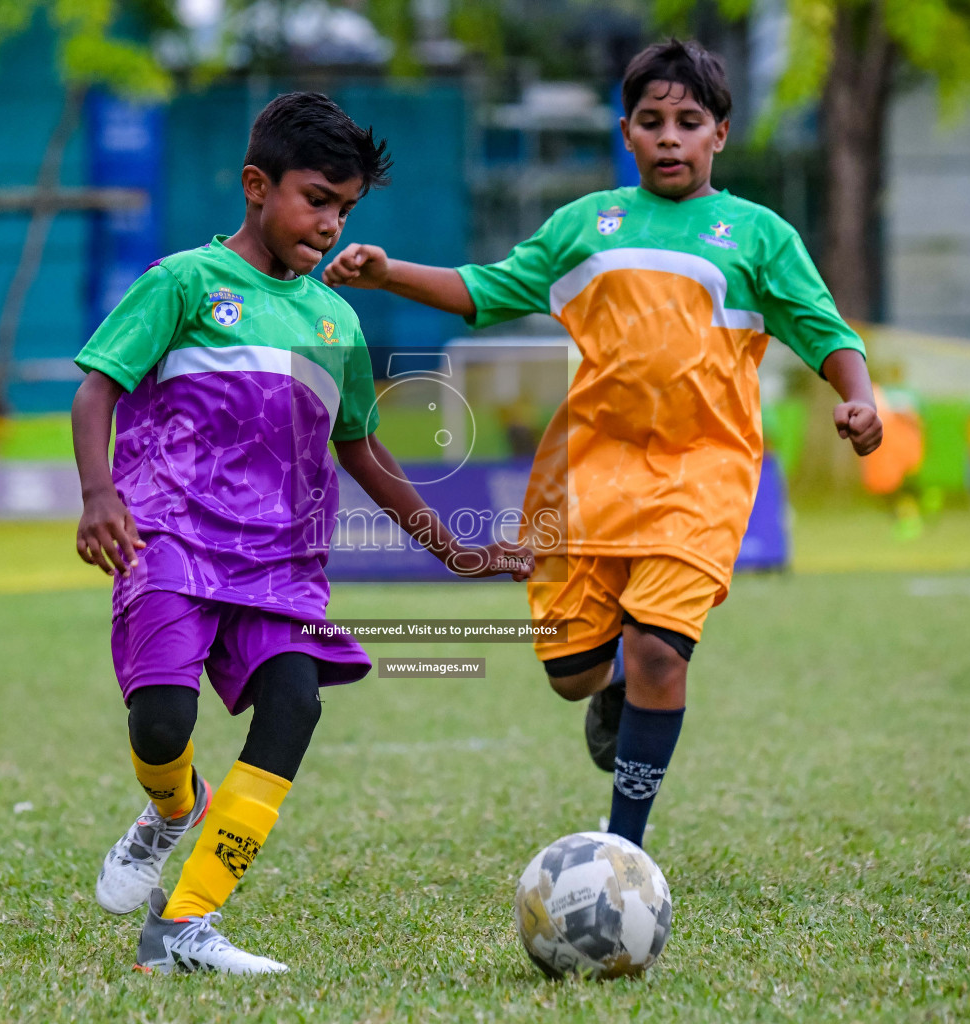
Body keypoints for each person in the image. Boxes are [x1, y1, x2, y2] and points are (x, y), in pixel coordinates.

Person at [324, 40, 882, 850]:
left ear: (720, 133)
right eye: (652, 121)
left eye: (689, 122)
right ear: (627, 131)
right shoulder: (587, 226)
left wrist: (859, 398)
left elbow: (825, 331)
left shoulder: (757, 234)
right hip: (589, 477)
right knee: (571, 675)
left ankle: (623, 849)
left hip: (704, 476)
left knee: (660, 650)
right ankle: (609, 680)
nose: (669, 136)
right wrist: (387, 274)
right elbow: (487, 288)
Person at [71, 91, 530, 976]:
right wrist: (99, 495)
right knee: (163, 721)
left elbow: (360, 447)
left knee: (296, 703)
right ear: (257, 185)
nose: (330, 223)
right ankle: (171, 810)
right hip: (168, 535)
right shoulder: (185, 284)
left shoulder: (337, 323)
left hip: (280, 560)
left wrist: (455, 549)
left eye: (345, 208)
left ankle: (184, 929)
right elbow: (97, 386)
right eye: (317, 198)